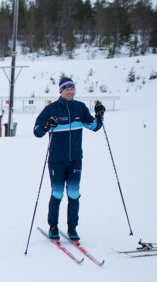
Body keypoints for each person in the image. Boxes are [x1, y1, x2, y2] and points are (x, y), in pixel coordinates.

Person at [34, 77, 104, 240]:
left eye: (72, 88)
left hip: (75, 159)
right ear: (61, 91)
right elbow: (37, 131)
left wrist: (99, 115)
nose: (70, 91)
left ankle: (72, 228)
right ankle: (53, 226)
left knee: (73, 193)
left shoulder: (80, 108)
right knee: (57, 193)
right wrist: (47, 125)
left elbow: (94, 126)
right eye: (67, 89)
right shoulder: (51, 109)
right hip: (56, 160)